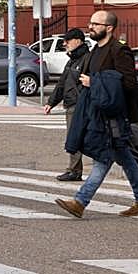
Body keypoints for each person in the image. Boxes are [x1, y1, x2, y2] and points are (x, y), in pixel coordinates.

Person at [56, 9, 138, 218]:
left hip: (114, 117)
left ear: (109, 28)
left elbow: (128, 84)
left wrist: (95, 82)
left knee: (104, 158)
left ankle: (80, 202)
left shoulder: (119, 51)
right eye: (91, 23)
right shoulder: (94, 51)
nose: (90, 27)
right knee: (125, 158)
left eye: (96, 24)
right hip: (99, 114)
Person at [45, 28, 88, 181]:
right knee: (75, 137)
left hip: (80, 105)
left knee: (76, 137)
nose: (65, 44)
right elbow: (62, 83)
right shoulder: (72, 60)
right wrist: (51, 102)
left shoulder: (86, 59)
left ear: (78, 41)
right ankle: (75, 169)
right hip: (70, 104)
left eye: (67, 41)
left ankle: (75, 170)